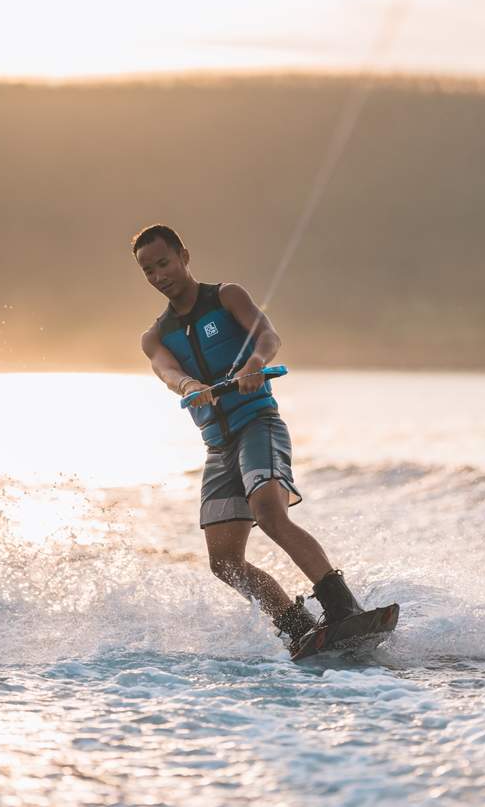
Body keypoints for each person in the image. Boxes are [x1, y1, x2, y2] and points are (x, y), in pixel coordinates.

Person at [133, 223, 365, 650]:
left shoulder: (226, 297)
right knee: (224, 562)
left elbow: (268, 336)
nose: (159, 276)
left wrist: (254, 363)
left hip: (258, 425)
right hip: (218, 448)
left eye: (164, 263)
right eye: (148, 270)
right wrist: (189, 385)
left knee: (270, 514)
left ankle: (343, 607)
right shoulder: (155, 337)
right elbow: (167, 371)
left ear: (184, 256)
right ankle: (300, 628)